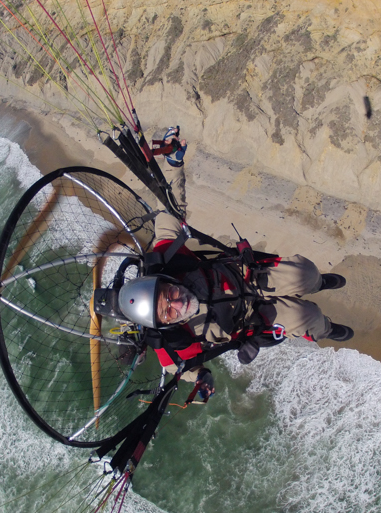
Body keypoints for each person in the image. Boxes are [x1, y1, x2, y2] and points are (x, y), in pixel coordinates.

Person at [113, 127, 354, 401]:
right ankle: (327, 328)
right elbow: (177, 368)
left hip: (246, 277)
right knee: (307, 318)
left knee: (305, 273)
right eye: (169, 312)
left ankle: (318, 282)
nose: (177, 303)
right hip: (251, 318)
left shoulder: (168, 258)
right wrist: (201, 376)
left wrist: (173, 163)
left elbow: (168, 209)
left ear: (166, 281)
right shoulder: (171, 342)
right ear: (163, 324)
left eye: (171, 293)